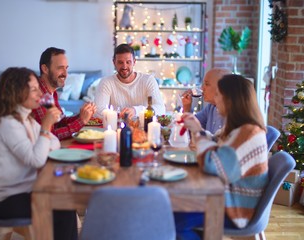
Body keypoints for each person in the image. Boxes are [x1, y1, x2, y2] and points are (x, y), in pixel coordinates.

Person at [0, 67, 78, 240]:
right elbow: (37, 160)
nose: (40, 94)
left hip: (22, 187)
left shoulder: (25, 117)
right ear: (17, 93)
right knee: (62, 207)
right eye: (33, 89)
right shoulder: (7, 123)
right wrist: (46, 127)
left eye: (38, 88)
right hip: (5, 198)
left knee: (66, 202)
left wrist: (45, 132)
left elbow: (54, 144)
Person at [175, 74, 268, 240]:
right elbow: (217, 142)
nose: (215, 99)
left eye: (218, 95)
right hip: (225, 198)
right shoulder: (239, 129)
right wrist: (201, 132)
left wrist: (197, 131)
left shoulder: (248, 133)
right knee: (176, 212)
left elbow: (213, 165)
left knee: (176, 221)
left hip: (234, 208)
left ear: (230, 99)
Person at [32, 47, 96, 140]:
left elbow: (59, 122)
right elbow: (49, 135)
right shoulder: (37, 94)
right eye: (60, 68)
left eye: (66, 68)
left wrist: (82, 115)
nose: (66, 74)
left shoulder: (52, 93)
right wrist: (81, 121)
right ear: (45, 69)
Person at [94, 43, 165, 119]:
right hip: (115, 126)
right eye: (120, 62)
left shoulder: (148, 80)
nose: (124, 66)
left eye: (128, 62)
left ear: (134, 62)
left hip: (142, 128)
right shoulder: (106, 82)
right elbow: (98, 111)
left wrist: (135, 110)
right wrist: (119, 115)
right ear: (114, 62)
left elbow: (161, 109)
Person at [181, 68, 231, 134]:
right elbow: (191, 127)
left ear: (221, 88)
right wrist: (187, 106)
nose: (202, 88)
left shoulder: (234, 113)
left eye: (207, 84)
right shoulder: (211, 107)